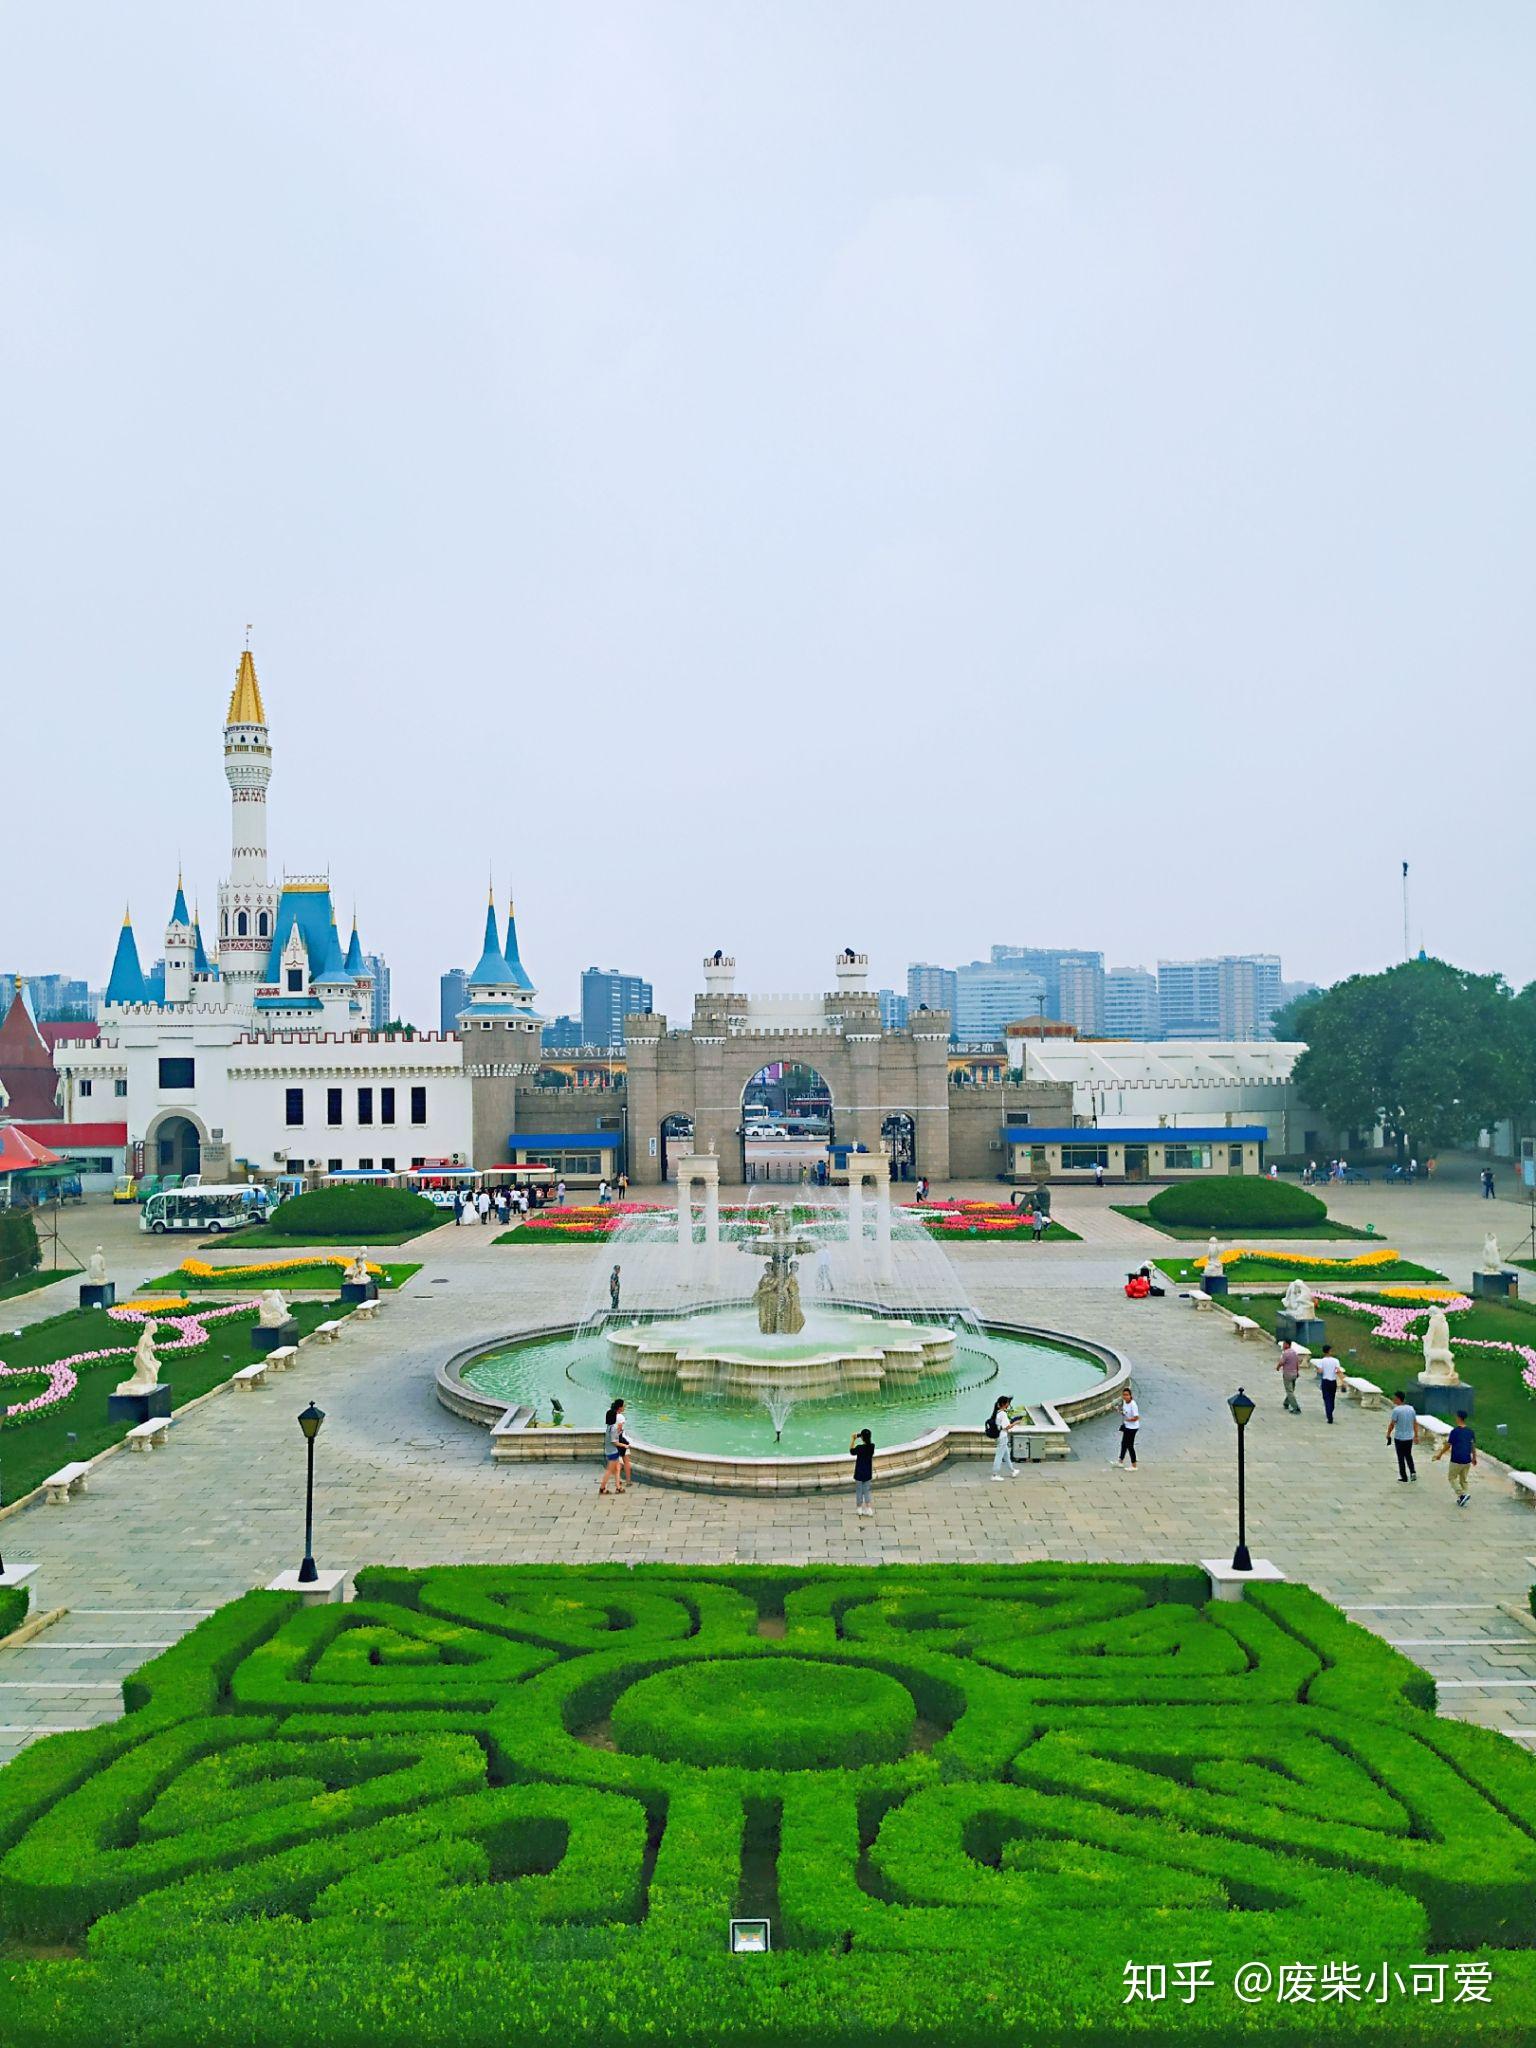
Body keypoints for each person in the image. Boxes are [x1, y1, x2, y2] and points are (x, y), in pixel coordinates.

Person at [1435, 1410, 1477, 1507]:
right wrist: (1474, 1458)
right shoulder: (1470, 1431)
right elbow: (1472, 1446)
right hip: (1467, 1459)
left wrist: (1440, 1454)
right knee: (1463, 1479)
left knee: (1452, 1477)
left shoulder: (1455, 1432)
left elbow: (1448, 1445)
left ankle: (1462, 1495)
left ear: (1458, 1418)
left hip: (1456, 1459)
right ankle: (1463, 1498)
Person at [1387, 1391, 1418, 1483]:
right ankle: (1413, 1472)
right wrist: (1416, 1435)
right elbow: (1415, 1423)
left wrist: (1388, 1434)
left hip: (1400, 1437)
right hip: (1409, 1437)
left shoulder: (1396, 1410)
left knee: (1400, 1457)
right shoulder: (1411, 1409)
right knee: (1408, 1455)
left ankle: (1404, 1476)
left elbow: (1392, 1424)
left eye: (1394, 1398)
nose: (1393, 1399)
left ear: (1398, 1399)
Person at [598, 1400, 627, 1495]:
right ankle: (602, 1488)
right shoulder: (613, 1428)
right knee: (609, 1471)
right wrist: (624, 1445)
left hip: (609, 1450)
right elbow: (614, 1442)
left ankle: (618, 1487)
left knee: (617, 1468)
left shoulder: (609, 1427)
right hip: (613, 1452)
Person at [986, 1395, 1015, 1480]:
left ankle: (1013, 1470)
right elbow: (1007, 1427)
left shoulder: (997, 1412)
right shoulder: (1003, 1414)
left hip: (999, 1437)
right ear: (1004, 1404)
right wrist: (1016, 1423)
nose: (1008, 1404)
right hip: (1002, 1437)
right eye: (1008, 1403)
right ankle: (995, 1475)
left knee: (1006, 1455)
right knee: (999, 1456)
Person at [849, 1428, 875, 1516]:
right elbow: (867, 1441)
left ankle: (859, 1508)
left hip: (859, 1473)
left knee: (859, 1491)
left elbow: (852, 1452)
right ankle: (868, 1508)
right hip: (868, 1472)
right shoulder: (872, 1446)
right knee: (866, 1491)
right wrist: (862, 1436)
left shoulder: (859, 1448)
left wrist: (853, 1439)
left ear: (862, 1438)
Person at [1315, 1341, 1341, 1423]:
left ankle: (1329, 1415)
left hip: (1325, 1381)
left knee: (1326, 1399)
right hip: (1333, 1381)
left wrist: (1318, 1369)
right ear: (1329, 1351)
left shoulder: (1322, 1361)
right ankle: (1330, 1411)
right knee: (1332, 1398)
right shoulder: (1335, 1361)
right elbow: (1338, 1371)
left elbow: (1320, 1371)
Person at [1276, 1338, 1303, 1414]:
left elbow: (1281, 1362)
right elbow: (1297, 1363)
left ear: (1287, 1344)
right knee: (1291, 1389)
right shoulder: (1294, 1352)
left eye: (1284, 1344)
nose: (1283, 1345)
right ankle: (1286, 1403)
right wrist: (1297, 1372)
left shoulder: (1286, 1353)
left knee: (1289, 1391)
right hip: (1294, 1373)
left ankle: (1295, 1407)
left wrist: (1278, 1367)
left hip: (1287, 1374)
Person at [1117, 1385, 1141, 1467]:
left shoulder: (1133, 1404)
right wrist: (1120, 1411)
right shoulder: (1125, 1402)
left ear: (1130, 1395)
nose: (1125, 1396)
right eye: (1124, 1395)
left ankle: (1134, 1465)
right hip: (1127, 1426)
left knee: (1130, 1445)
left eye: (1127, 1395)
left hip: (1133, 1428)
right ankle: (1120, 1461)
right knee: (1124, 1443)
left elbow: (1137, 1417)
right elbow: (1125, 1413)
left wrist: (1128, 1420)